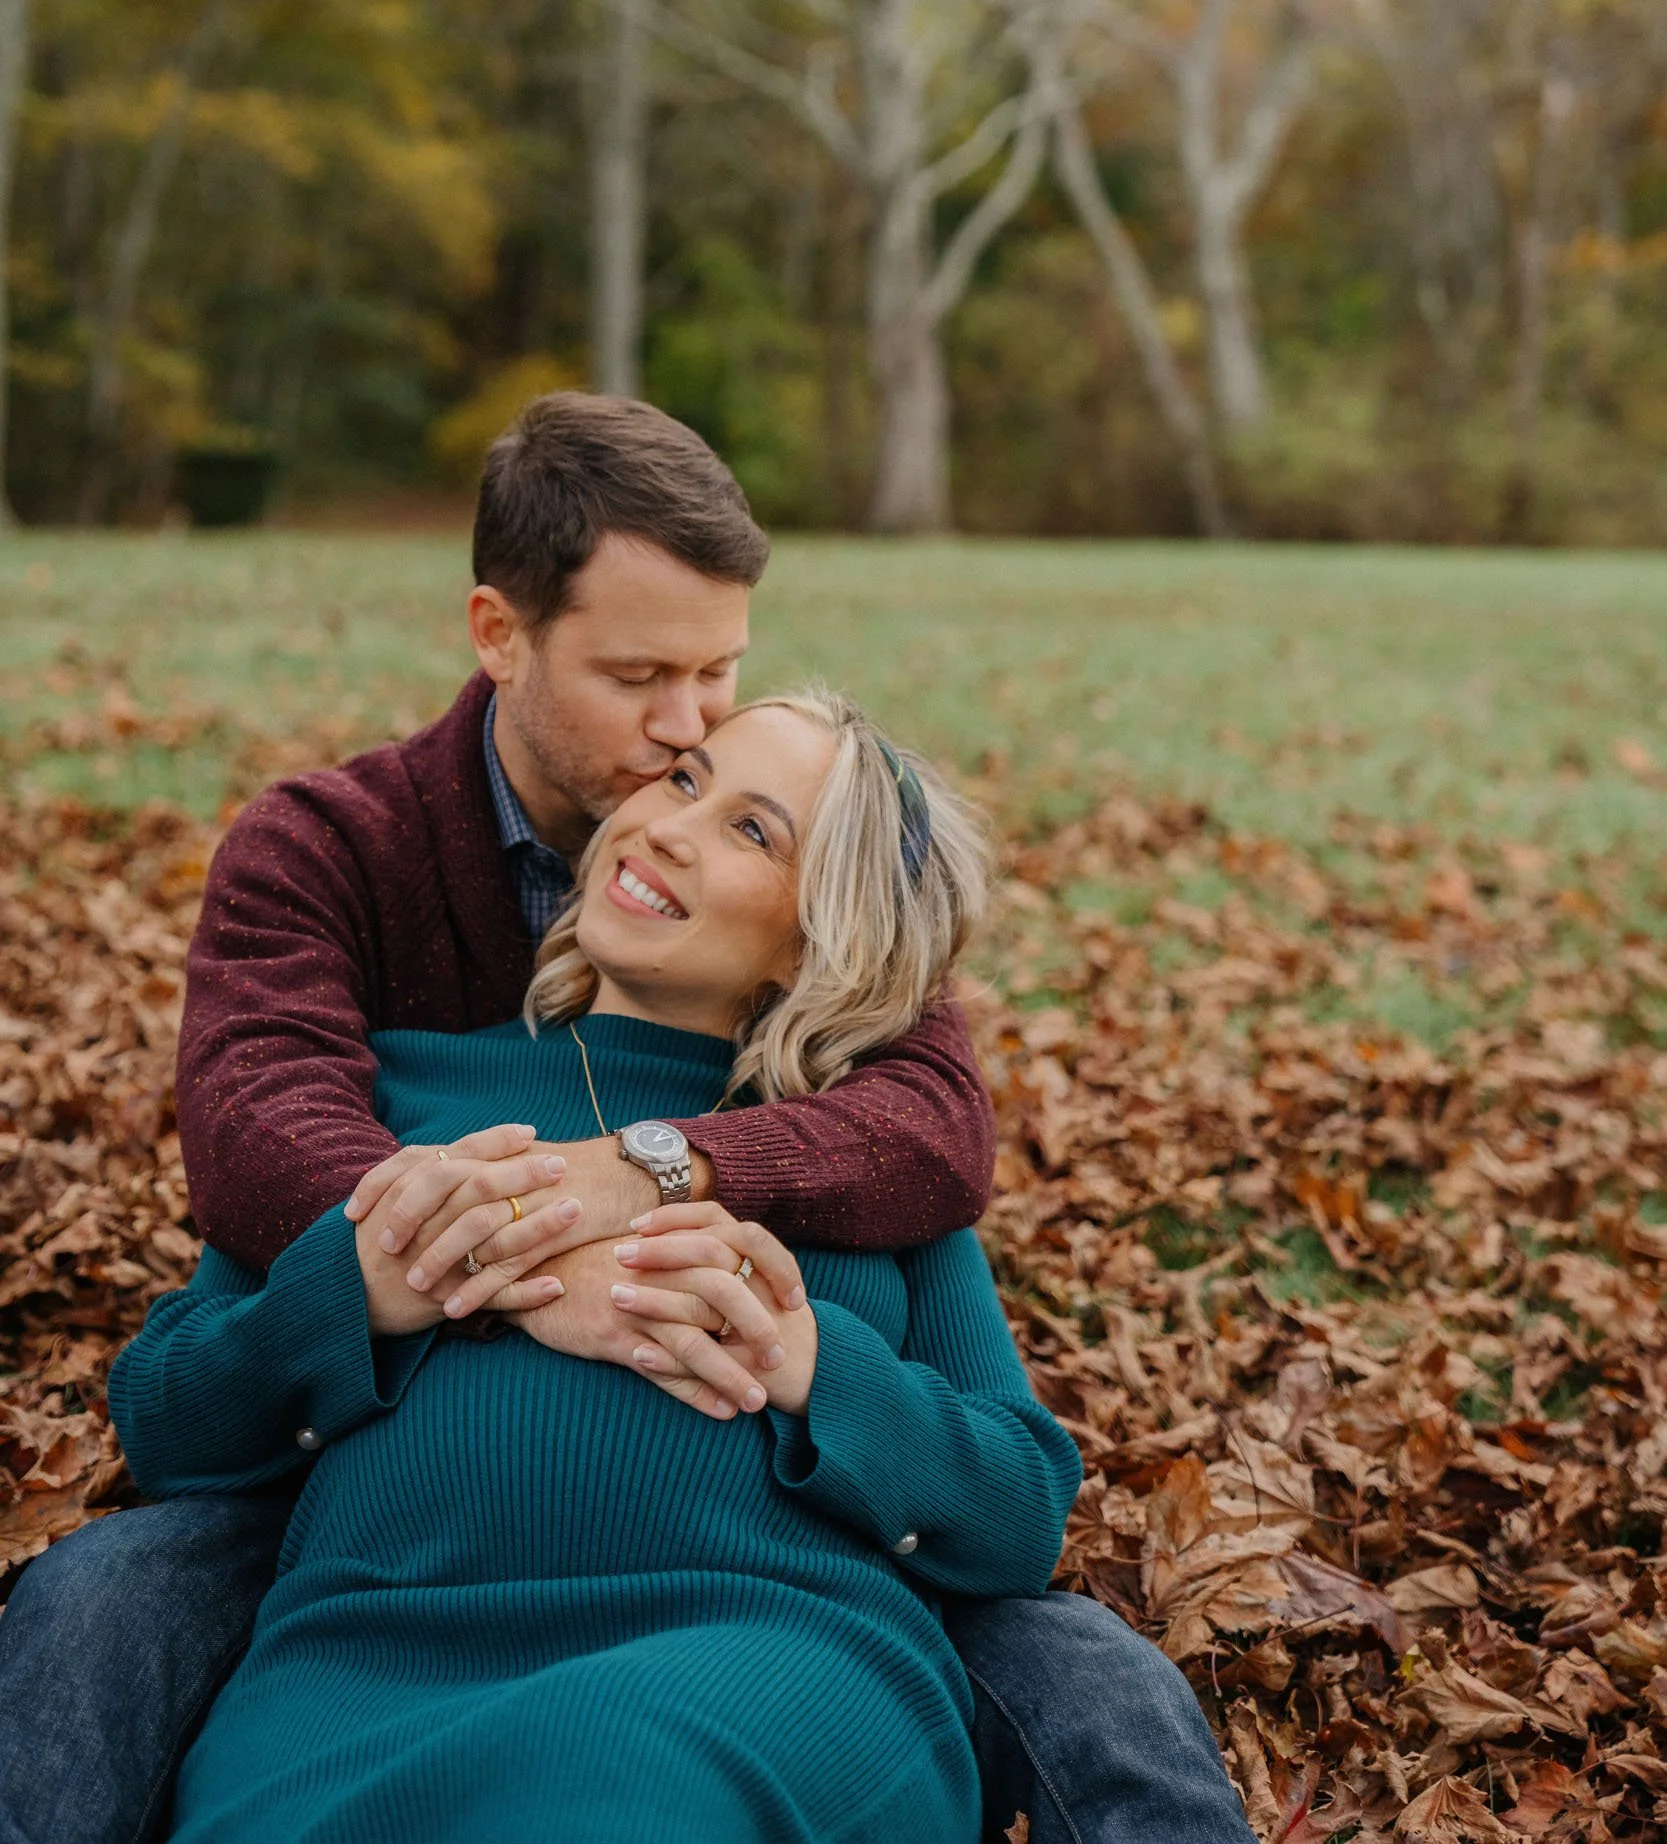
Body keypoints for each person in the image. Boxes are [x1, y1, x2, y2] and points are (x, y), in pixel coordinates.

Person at [0, 394, 1251, 1844]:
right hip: (370, 1633)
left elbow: (965, 1269)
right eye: (666, 739)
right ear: (500, 634)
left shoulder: (842, 1124)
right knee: (98, 1619)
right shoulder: (375, 993)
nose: (678, 755)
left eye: (722, 728)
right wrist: (443, 1261)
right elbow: (252, 1162)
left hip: (745, 1654)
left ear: (817, 946)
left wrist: (795, 1351)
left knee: (1044, 1701)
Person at [108, 691, 1084, 1842]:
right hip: (360, 1666)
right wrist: (364, 1292)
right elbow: (166, 1417)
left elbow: (1019, 1509)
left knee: (615, 1790)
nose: (670, 824)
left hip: (753, 1662)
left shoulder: (855, 1161)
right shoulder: (398, 1095)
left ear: (816, 939)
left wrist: (815, 1368)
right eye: (683, 780)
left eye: (750, 829)